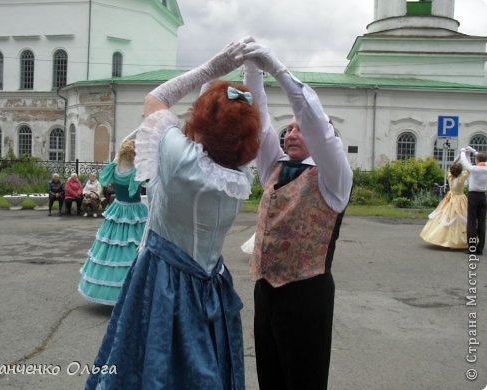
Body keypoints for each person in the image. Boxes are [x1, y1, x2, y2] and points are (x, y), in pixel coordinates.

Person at [85, 38, 260, 389]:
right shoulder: (240, 175)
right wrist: (253, 74)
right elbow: (247, 129)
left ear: (200, 121)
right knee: (205, 364)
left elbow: (156, 99)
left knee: (151, 362)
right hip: (211, 279)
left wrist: (211, 68)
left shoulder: (181, 158)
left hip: (164, 279)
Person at [241, 39, 353, 390]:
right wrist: (252, 71)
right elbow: (258, 124)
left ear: (323, 139)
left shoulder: (334, 178)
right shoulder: (273, 169)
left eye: (298, 128)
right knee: (270, 377)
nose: (291, 132)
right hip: (266, 289)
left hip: (308, 294)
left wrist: (277, 69)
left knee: (304, 380)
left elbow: (313, 119)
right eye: (287, 129)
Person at [78, 139, 148, 305]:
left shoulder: (114, 168)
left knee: (112, 244)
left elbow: (104, 181)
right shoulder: (136, 170)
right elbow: (146, 181)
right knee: (134, 245)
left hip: (118, 208)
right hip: (134, 210)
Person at [420, 162, 468, 248]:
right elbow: (468, 170)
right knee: (460, 217)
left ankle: (445, 239)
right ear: (460, 171)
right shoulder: (461, 179)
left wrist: (456, 161)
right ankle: (456, 241)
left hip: (451, 198)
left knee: (446, 215)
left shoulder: (450, 178)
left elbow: (449, 170)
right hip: (460, 198)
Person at [460, 146, 487, 255]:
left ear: (477, 160)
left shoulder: (474, 169)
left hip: (473, 196)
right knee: (482, 222)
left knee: (471, 222)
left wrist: (463, 151)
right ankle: (480, 248)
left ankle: (472, 247)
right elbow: (482, 159)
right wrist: (474, 151)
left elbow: (464, 162)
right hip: (483, 196)